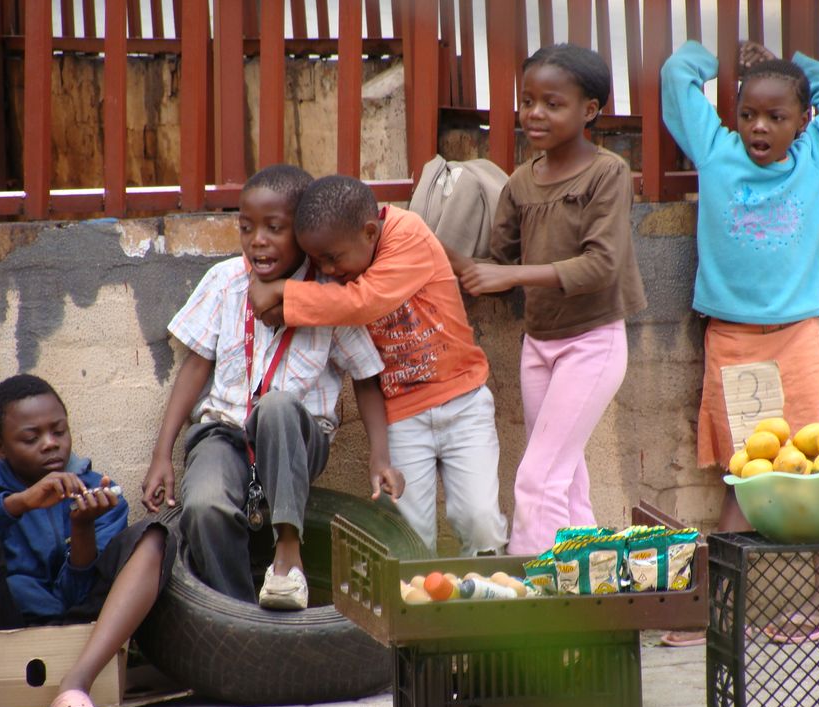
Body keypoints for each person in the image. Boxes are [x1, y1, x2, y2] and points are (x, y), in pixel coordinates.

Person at [659, 40, 819, 646]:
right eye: (748, 113)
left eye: (776, 116)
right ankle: (718, 614)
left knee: (816, 471)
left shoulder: (815, 157)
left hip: (797, 338)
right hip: (734, 342)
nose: (759, 127)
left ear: (803, 122)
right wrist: (723, 63)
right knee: (743, 478)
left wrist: (789, 58)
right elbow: (676, 73)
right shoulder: (716, 153)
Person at [142, 164, 401, 611]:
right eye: (246, 227)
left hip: (298, 437)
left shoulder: (327, 295)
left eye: (274, 228)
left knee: (278, 406)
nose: (257, 239)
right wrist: (161, 454)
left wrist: (380, 455)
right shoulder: (225, 282)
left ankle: (287, 559)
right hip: (223, 434)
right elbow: (194, 369)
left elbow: (367, 376)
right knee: (203, 508)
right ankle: (240, 618)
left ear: (301, 232)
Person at [247, 174, 509, 557]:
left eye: (333, 259)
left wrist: (284, 291)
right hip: (401, 415)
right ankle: (419, 614)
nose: (328, 271)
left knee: (480, 520)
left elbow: (360, 303)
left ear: (370, 232)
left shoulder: (407, 234)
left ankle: (492, 604)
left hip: (463, 401)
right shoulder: (344, 248)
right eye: (318, 262)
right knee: (408, 533)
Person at [456, 44, 647, 556]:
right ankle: (590, 591)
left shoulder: (607, 174)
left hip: (593, 343)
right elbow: (498, 254)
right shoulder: (521, 181)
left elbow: (601, 265)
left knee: (537, 480)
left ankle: (531, 603)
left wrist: (507, 275)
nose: (535, 114)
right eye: (527, 100)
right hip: (538, 344)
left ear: (589, 110)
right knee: (565, 479)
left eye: (552, 103)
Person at [0, 374, 174, 707]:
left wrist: (82, 529)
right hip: (0, 616)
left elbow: (76, 597)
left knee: (155, 537)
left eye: (59, 432)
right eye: (31, 438)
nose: (51, 445)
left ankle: (74, 689)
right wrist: (20, 502)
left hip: (82, 623)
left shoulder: (98, 491)